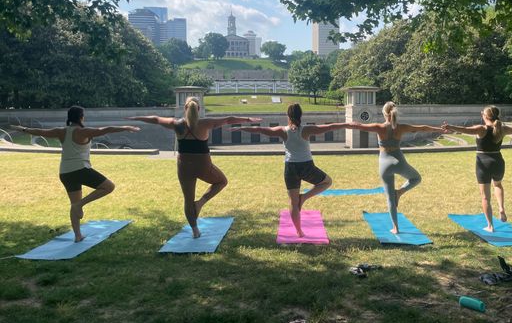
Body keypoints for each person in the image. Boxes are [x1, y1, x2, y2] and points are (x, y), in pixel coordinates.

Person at [128, 97, 261, 238]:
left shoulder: (177, 124)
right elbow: (228, 119)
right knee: (222, 182)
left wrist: (136, 117)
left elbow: (155, 119)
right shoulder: (204, 123)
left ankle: (195, 231)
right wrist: (248, 119)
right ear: (198, 109)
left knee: (188, 199)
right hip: (203, 165)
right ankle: (201, 203)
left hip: (184, 166)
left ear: (185, 109)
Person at [11, 106, 140, 242]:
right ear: (81, 117)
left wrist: (22, 129)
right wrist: (125, 127)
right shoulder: (83, 131)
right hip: (80, 169)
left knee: (74, 203)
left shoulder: (61, 131)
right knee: (109, 187)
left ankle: (78, 236)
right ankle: (80, 205)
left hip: (65, 172)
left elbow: (40, 131)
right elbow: (105, 130)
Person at [231, 103, 353, 237]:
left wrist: (241, 128)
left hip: (290, 168)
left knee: (293, 203)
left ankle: (299, 232)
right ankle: (304, 197)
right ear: (301, 115)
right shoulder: (306, 130)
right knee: (327, 182)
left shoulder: (282, 130)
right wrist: (348, 124)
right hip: (306, 166)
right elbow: (329, 127)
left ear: (288, 115)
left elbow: (261, 130)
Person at [442, 105, 512, 232]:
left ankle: (490, 226)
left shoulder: (481, 129)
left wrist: (450, 127)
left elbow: (465, 129)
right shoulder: (502, 128)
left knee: (485, 197)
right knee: (498, 185)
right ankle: (501, 209)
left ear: (485, 116)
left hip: (483, 163)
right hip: (498, 162)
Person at [349, 101, 446, 234]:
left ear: (384, 113)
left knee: (389, 198)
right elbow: (422, 128)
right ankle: (400, 192)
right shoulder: (401, 127)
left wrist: (344, 124)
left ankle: (396, 228)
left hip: (384, 164)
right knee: (416, 178)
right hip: (399, 162)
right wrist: (440, 130)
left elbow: (358, 126)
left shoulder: (379, 127)